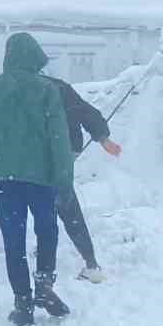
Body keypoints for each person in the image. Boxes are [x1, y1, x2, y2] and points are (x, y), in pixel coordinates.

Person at [0, 32, 75, 326]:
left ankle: (22, 301)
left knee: (14, 238)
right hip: (41, 177)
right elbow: (59, 139)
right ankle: (44, 283)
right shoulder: (47, 90)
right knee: (47, 228)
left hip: (4, 178)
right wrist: (64, 179)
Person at [50, 77, 123, 283]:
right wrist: (102, 138)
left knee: (48, 201)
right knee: (64, 201)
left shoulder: (15, 87)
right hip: (66, 149)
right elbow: (85, 111)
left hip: (40, 154)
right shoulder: (58, 86)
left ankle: (50, 253)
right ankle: (90, 262)